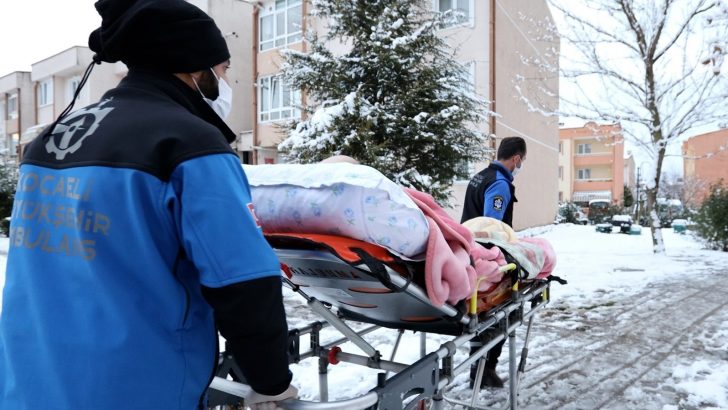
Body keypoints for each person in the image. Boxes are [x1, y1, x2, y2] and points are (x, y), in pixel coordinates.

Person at [0, 1, 296, 408]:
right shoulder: (187, 143)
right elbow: (243, 281)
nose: (227, 81)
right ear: (195, 69)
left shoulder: (49, 140)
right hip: (132, 388)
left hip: (29, 381)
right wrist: (270, 381)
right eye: (224, 69)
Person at [461, 136, 527, 388]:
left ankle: (479, 368)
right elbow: (491, 229)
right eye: (522, 161)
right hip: (488, 260)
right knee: (502, 312)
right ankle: (485, 369)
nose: (521, 166)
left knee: (479, 312)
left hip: (469, 253)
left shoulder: (479, 176)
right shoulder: (499, 184)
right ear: (516, 158)